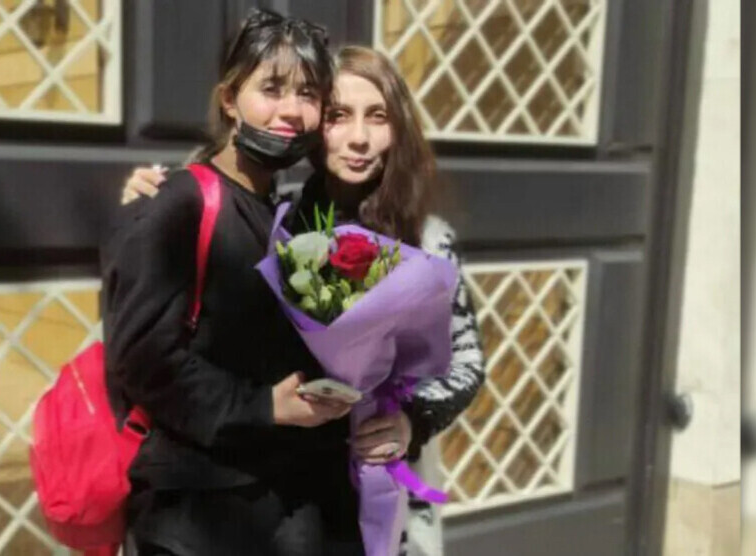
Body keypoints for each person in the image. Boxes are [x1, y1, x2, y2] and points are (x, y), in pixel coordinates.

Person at [120, 45, 486, 556]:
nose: (359, 138)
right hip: (283, 496)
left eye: (377, 116)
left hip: (379, 480)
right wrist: (157, 197)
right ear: (315, 125)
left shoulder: (427, 239)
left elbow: (466, 362)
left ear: (398, 128)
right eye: (339, 116)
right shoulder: (280, 220)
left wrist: (410, 420)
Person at [101, 10, 365, 555]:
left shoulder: (289, 218)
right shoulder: (178, 204)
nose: (291, 110)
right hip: (195, 517)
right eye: (271, 89)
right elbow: (143, 359)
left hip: (282, 508)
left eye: (308, 94)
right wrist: (262, 406)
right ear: (229, 99)